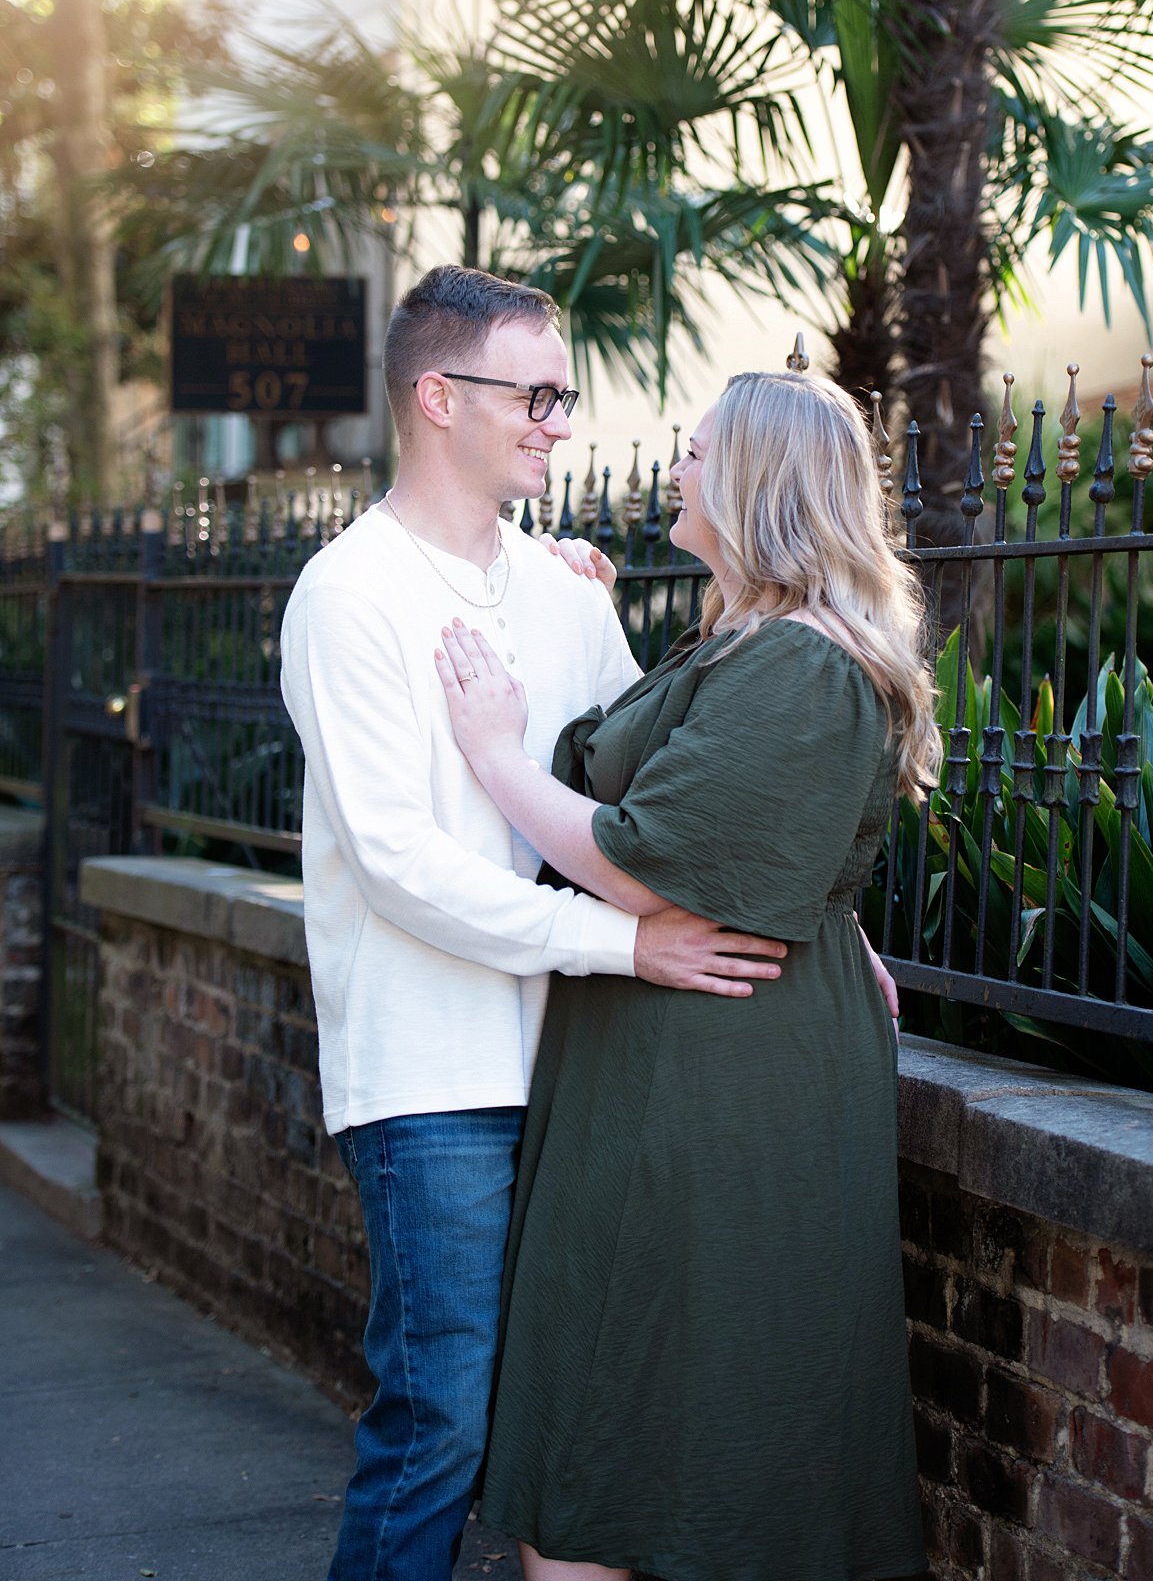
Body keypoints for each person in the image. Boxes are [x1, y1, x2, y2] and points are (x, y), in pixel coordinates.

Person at [279, 266, 788, 1581]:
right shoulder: (348, 597)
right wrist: (632, 945)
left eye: (566, 397)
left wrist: (827, 923)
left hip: (583, 1067)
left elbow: (660, 783)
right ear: (438, 398)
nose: (561, 419)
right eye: (538, 394)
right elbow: (398, 865)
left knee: (561, 1427)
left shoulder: (563, 589)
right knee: (439, 1423)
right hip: (434, 1079)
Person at [435, 367, 942, 1581]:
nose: (675, 465)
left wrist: (497, 756)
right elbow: (727, 814)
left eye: (699, 449)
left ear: (759, 479)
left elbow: (647, 858)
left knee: (663, 1416)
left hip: (719, 1067)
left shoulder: (801, 664)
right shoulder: (741, 638)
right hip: (668, 1048)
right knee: (607, 1410)